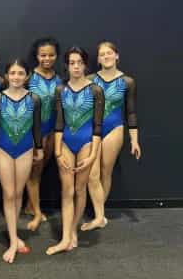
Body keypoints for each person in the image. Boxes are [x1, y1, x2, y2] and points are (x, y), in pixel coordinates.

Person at [46, 47, 104, 255]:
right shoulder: (61, 90)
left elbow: (98, 126)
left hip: (87, 142)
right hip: (66, 142)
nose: (76, 66)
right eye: (72, 63)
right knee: (67, 190)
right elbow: (59, 123)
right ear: (67, 65)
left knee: (80, 189)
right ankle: (64, 238)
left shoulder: (96, 90)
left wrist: (93, 155)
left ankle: (72, 231)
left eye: (80, 62)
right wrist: (58, 151)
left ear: (85, 65)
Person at [81, 41, 141, 231]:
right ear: (98, 59)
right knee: (92, 173)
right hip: (91, 130)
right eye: (102, 54)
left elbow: (130, 112)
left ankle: (100, 214)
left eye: (109, 53)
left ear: (117, 55)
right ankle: (98, 213)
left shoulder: (127, 82)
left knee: (106, 171)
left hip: (114, 128)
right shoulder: (89, 79)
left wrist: (134, 140)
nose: (106, 57)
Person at [0, 59, 43, 263]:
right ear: (6, 75)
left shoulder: (34, 99)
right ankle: (13, 239)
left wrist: (39, 148)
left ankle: (15, 235)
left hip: (25, 148)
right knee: (9, 193)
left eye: (20, 73)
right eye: (12, 73)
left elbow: (37, 127)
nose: (16, 77)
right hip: (3, 147)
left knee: (19, 192)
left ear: (27, 76)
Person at [25, 37, 62, 231]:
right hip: (32, 132)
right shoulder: (29, 77)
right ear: (37, 56)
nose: (47, 58)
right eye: (43, 55)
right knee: (33, 171)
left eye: (51, 55)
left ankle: (30, 205)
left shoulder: (59, 79)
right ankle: (36, 210)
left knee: (40, 170)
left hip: (51, 130)